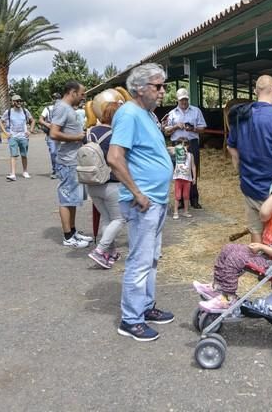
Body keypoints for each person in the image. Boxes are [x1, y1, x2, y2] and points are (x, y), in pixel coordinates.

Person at [107, 63, 174, 342]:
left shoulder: (146, 114)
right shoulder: (129, 114)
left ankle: (145, 307)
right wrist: (137, 193)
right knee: (140, 260)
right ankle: (131, 319)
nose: (162, 92)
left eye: (162, 86)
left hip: (155, 199)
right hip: (143, 202)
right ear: (140, 88)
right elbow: (114, 157)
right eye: (157, 86)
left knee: (151, 258)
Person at [194, 169, 272, 311]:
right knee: (228, 249)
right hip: (266, 258)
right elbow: (263, 212)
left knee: (236, 258)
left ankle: (228, 298)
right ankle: (218, 288)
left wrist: (263, 247)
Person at [227, 75, 272, 243]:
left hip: (248, 185)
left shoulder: (241, 115)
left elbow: (231, 146)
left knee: (256, 231)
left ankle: (258, 264)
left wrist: (239, 169)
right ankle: (270, 266)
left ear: (255, 91)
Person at [85, 89, 127, 269]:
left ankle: (109, 254)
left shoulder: (88, 132)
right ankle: (100, 250)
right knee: (119, 219)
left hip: (92, 183)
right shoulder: (114, 135)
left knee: (107, 219)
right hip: (111, 183)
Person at [50, 81, 93, 248]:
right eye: (82, 94)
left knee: (73, 199)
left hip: (73, 160)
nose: (83, 97)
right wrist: (78, 137)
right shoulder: (62, 107)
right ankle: (68, 236)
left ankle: (73, 231)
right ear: (72, 92)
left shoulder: (68, 109)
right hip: (67, 161)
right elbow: (54, 133)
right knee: (66, 198)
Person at [164, 88, 207, 209]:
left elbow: (203, 128)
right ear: (177, 100)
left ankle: (194, 199)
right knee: (179, 171)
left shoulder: (196, 111)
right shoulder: (172, 113)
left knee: (193, 169)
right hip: (177, 144)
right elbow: (166, 131)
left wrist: (192, 128)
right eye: (181, 100)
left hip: (191, 143)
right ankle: (181, 199)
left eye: (185, 99)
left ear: (188, 99)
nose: (183, 102)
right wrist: (175, 127)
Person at [0, 95, 35, 181]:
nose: (19, 103)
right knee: (13, 155)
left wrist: (30, 131)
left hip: (23, 137)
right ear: (13, 102)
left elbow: (32, 120)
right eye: (17, 101)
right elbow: (0, 121)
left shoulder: (25, 111)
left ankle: (25, 171)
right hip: (13, 137)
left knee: (24, 155)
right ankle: (13, 174)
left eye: (20, 101)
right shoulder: (9, 112)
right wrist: (5, 132)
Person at [170, 137, 197, 219]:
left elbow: (193, 167)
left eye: (185, 144)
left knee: (186, 196)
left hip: (187, 178)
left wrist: (194, 178)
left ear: (188, 145)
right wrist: (176, 148)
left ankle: (186, 211)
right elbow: (169, 150)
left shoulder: (190, 155)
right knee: (177, 196)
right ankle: (175, 212)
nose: (183, 146)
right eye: (181, 144)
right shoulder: (177, 153)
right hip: (178, 177)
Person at [39, 93, 61, 179]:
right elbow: (40, 119)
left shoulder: (63, 109)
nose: (56, 100)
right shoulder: (47, 109)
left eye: (57, 98)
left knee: (61, 153)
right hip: (51, 134)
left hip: (61, 134)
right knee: (53, 152)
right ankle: (55, 170)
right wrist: (47, 125)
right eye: (54, 98)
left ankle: (60, 170)